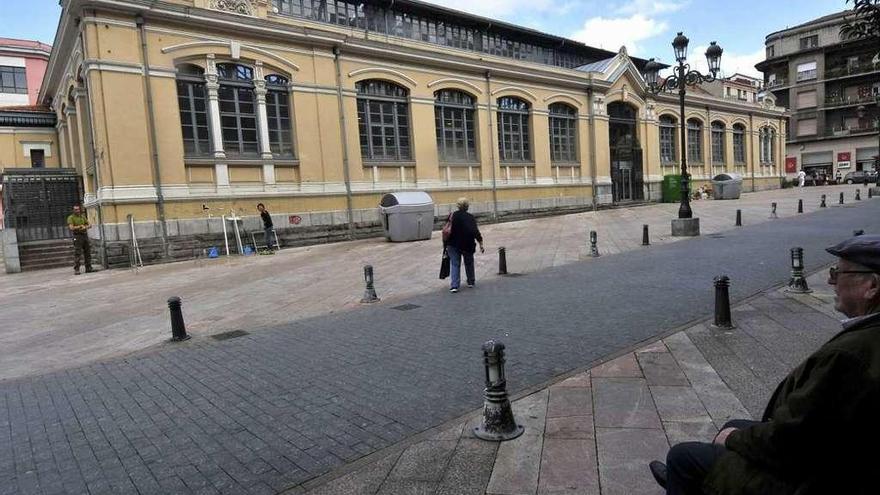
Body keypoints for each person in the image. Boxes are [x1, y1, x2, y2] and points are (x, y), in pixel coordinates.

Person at [648, 234, 880, 494]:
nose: (830, 280)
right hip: (835, 455)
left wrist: (735, 439)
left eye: (839, 273)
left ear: (871, 286)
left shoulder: (852, 356)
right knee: (731, 424)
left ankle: (684, 478)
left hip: (811, 476)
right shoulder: (866, 336)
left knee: (682, 456)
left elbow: (790, 440)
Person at [444, 197, 484, 293]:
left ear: (457, 206)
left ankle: (454, 286)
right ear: (467, 206)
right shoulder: (470, 217)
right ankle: (470, 281)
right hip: (467, 244)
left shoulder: (452, 216)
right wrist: (481, 243)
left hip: (453, 244)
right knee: (469, 263)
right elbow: (475, 231)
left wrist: (445, 244)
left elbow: (446, 230)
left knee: (454, 264)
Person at [67, 205, 92, 275]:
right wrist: (80, 227)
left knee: (87, 252)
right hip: (77, 236)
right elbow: (71, 227)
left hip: (84, 235)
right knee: (77, 253)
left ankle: (88, 268)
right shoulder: (71, 218)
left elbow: (90, 225)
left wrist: (85, 227)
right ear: (73, 210)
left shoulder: (82, 216)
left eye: (78, 209)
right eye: (75, 209)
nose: (77, 211)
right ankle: (77, 269)